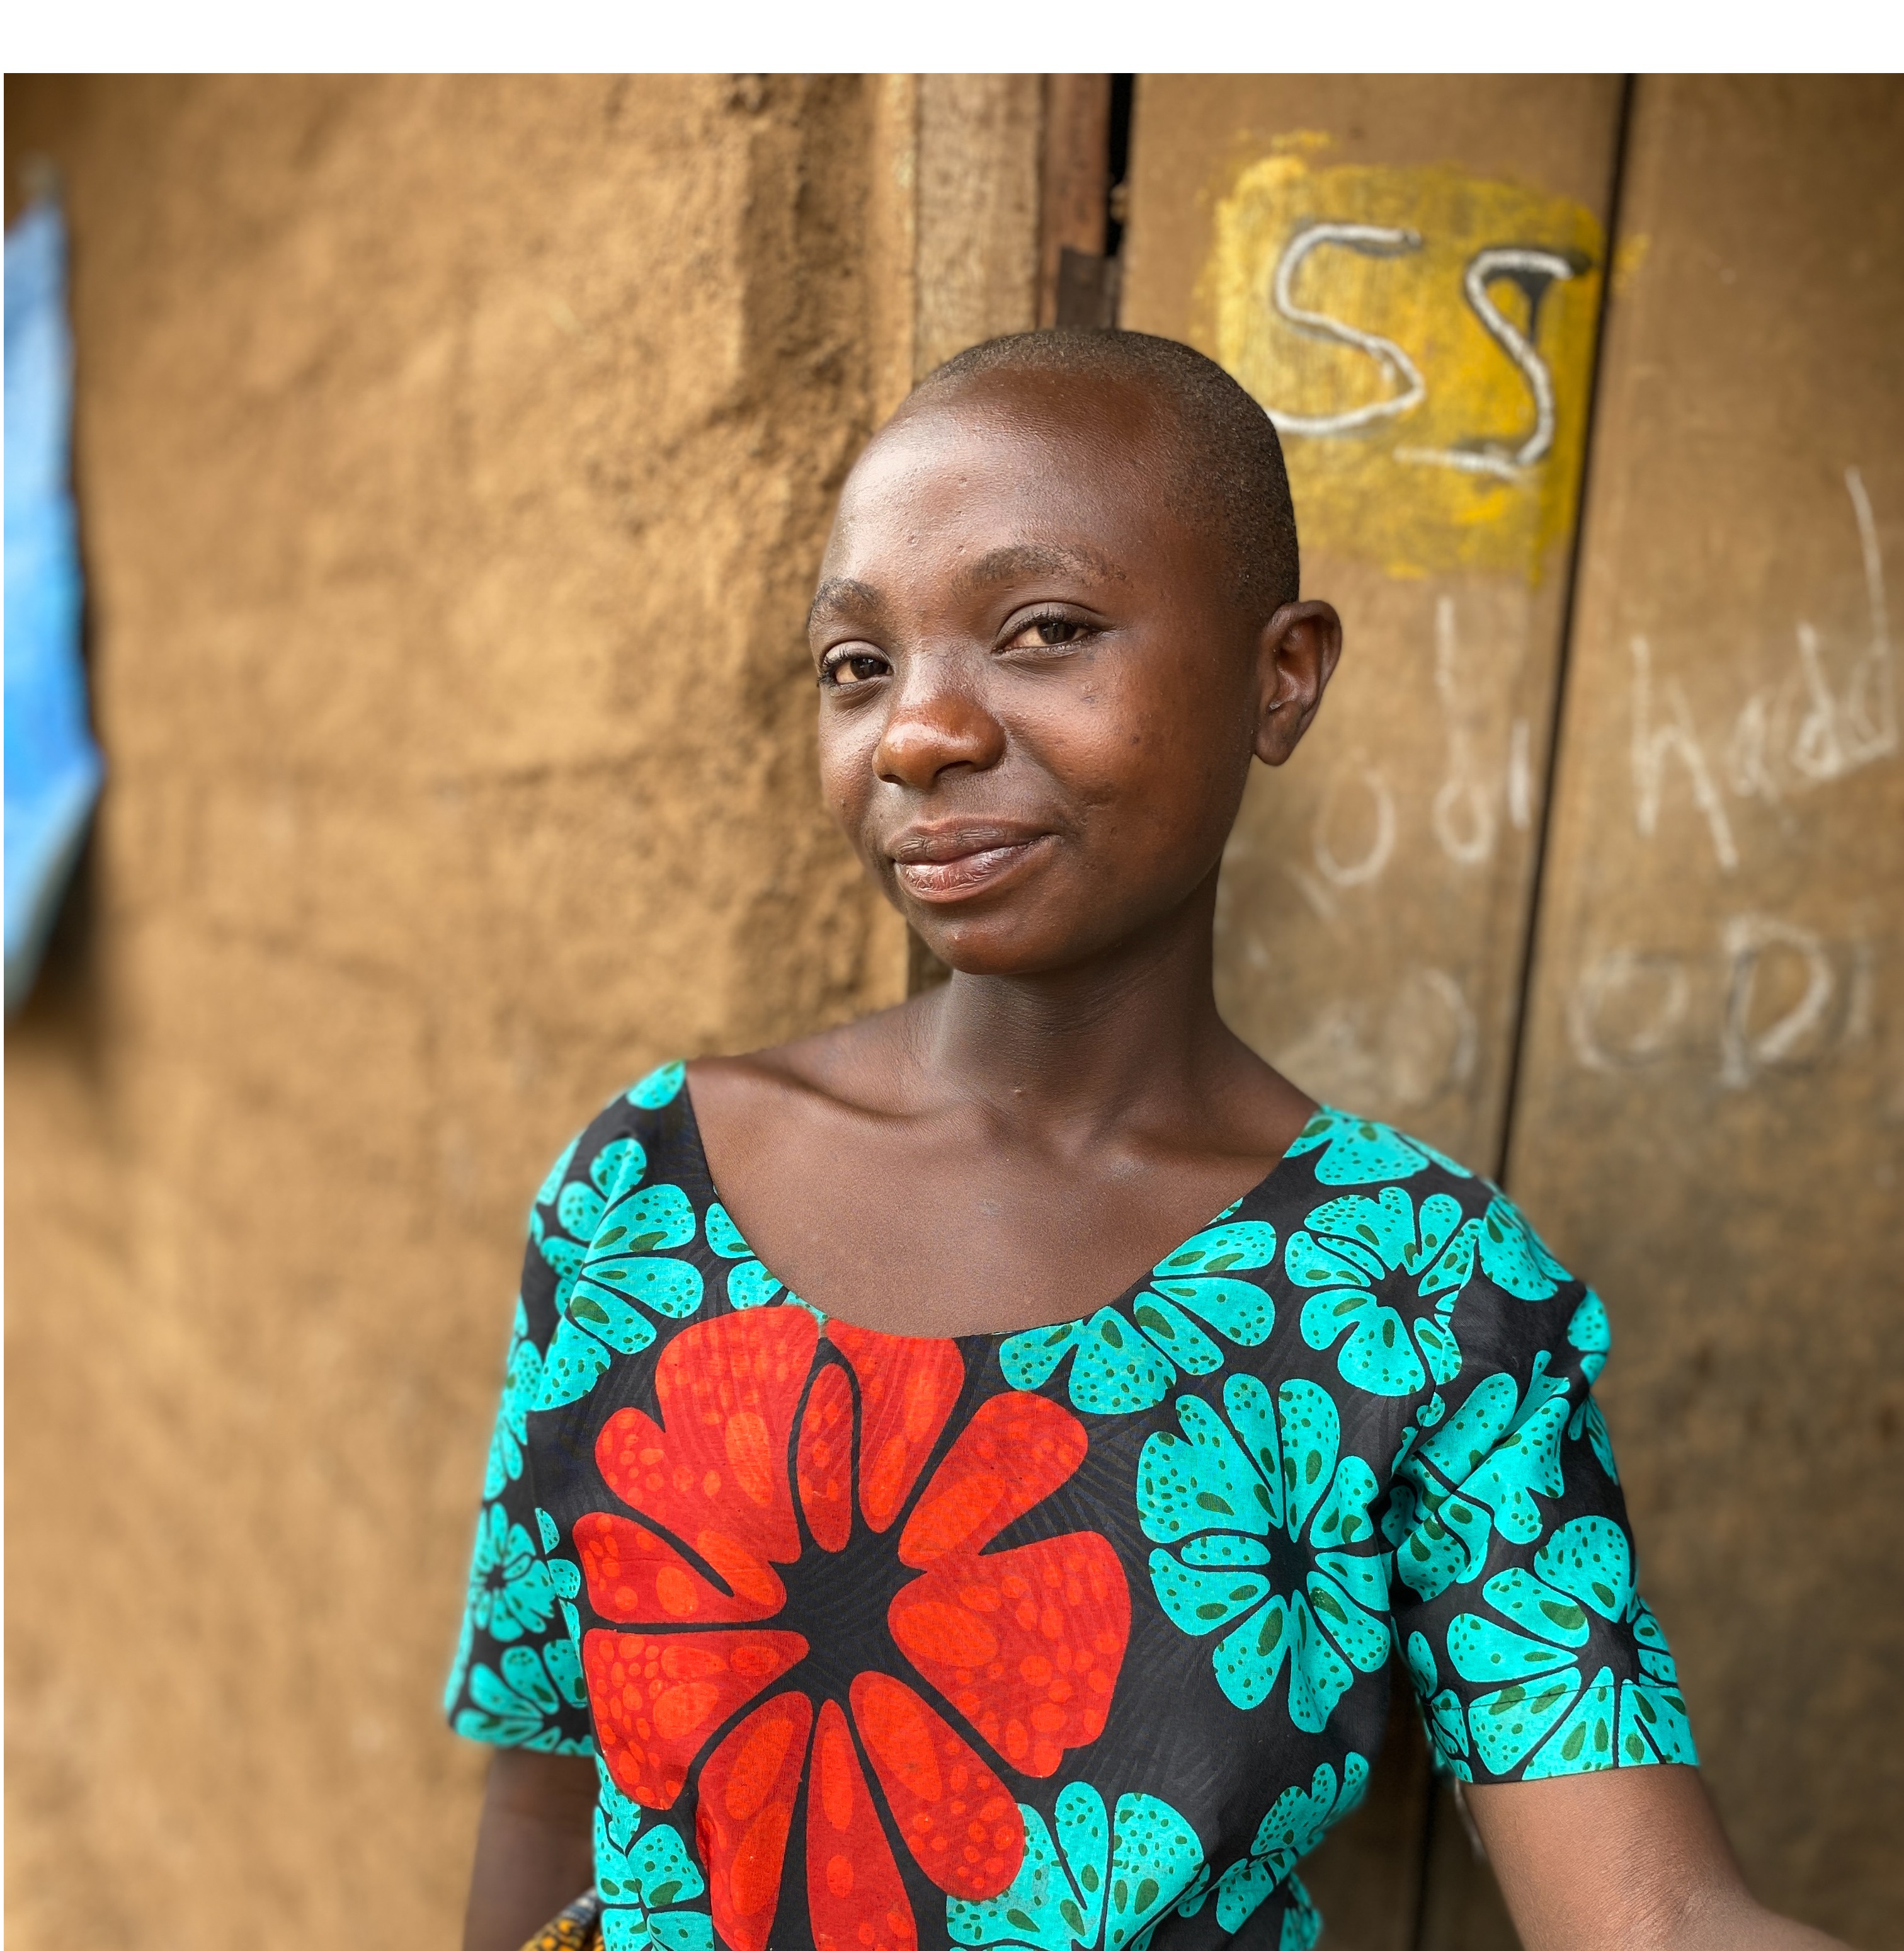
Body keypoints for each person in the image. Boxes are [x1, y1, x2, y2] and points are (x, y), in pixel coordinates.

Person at [448, 331, 1843, 1951]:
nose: (916, 733)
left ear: (1283, 675)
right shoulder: (641, 1196)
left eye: (1043, 632)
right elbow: (551, 1792)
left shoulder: (1411, 1291)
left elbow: (1652, 1915)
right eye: (858, 665)